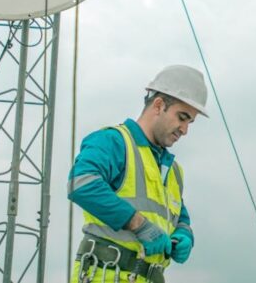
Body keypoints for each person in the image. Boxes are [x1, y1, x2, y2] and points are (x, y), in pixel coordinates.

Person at [68, 65, 209, 283]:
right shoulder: (114, 141)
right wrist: (138, 224)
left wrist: (184, 234)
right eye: (182, 117)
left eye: (189, 122)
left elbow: (179, 215)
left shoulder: (172, 170)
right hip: (105, 275)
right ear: (159, 105)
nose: (185, 129)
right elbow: (81, 184)